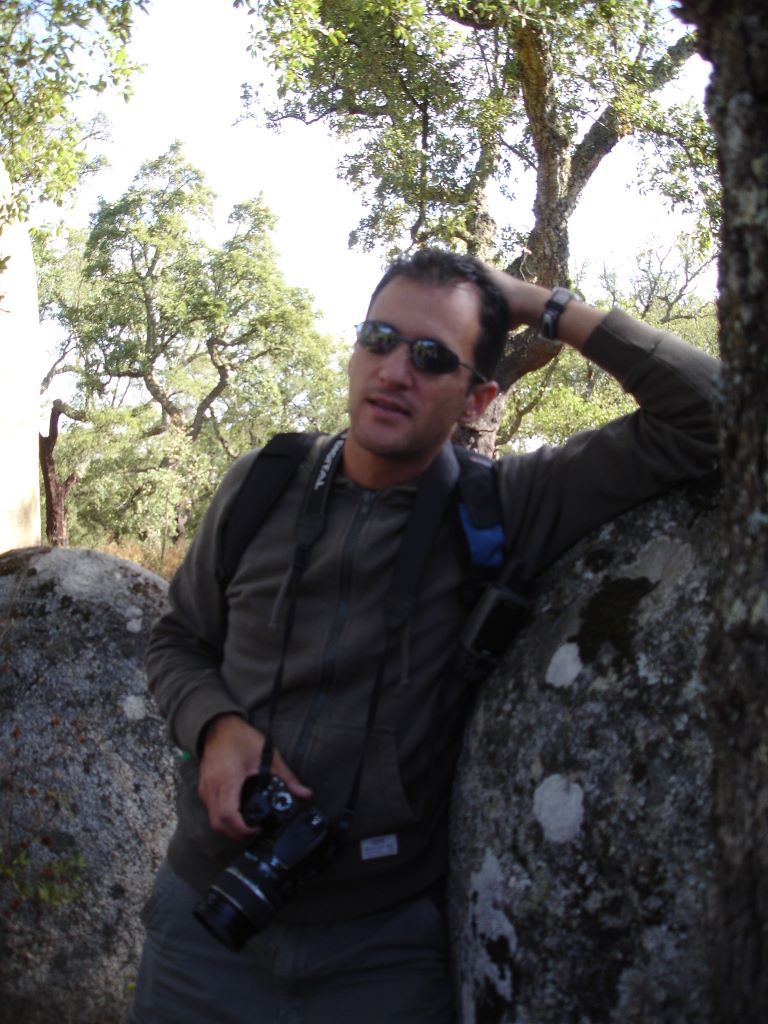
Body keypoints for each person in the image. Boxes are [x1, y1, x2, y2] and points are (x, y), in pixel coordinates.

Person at [127, 250, 719, 1023]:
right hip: (207, 924)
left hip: (383, 953)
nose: (394, 371)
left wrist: (537, 303)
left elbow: (719, 414)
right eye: (378, 339)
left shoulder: (508, 505)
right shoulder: (262, 482)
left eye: (433, 357)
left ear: (479, 398)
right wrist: (216, 727)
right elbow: (177, 641)